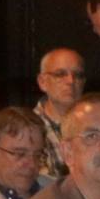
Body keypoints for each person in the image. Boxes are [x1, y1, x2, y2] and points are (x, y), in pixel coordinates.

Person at [29, 48, 84, 179]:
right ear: (42, 82)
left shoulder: (95, 125)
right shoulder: (27, 129)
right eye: (60, 74)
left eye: (78, 75)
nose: (70, 81)